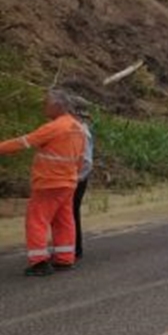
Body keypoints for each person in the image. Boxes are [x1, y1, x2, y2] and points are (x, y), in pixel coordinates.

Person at [0, 89, 87, 276]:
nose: (44, 107)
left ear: (58, 106)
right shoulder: (78, 127)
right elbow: (80, 158)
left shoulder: (55, 127)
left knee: (36, 221)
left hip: (49, 182)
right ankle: (65, 259)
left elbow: (24, 142)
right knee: (64, 220)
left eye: (46, 104)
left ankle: (38, 262)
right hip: (68, 182)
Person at [72, 102, 94, 259]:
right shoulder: (78, 130)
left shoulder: (82, 132)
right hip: (76, 177)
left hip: (77, 179)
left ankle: (75, 248)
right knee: (70, 213)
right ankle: (71, 247)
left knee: (71, 212)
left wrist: (77, 179)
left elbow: (87, 161)